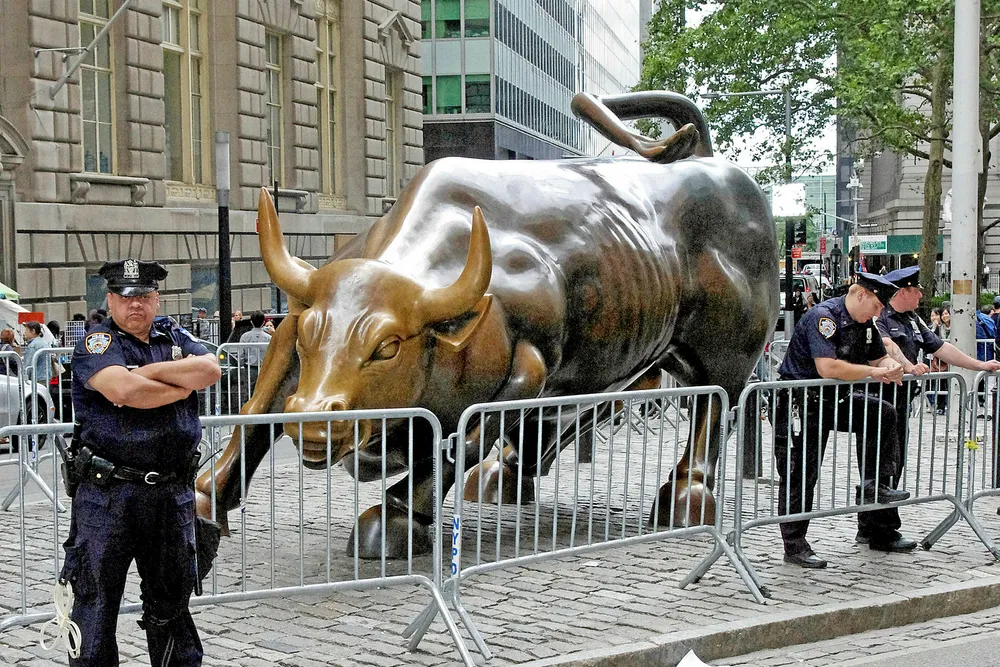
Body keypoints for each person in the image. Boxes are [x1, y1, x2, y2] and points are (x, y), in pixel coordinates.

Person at [60, 258, 221, 666]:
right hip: (109, 496)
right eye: (127, 297)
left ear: (157, 299)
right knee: (95, 607)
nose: (136, 304)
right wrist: (178, 385)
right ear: (111, 299)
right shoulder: (98, 343)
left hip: (170, 493)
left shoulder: (173, 334)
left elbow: (209, 369)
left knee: (172, 602)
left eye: (145, 296)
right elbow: (124, 391)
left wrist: (147, 371)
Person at [774, 272, 908, 568]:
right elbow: (828, 367)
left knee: (882, 413)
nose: (878, 313)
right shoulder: (824, 318)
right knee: (801, 474)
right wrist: (874, 372)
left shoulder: (866, 324)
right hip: (801, 405)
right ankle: (794, 544)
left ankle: (876, 485)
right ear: (861, 295)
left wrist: (891, 366)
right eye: (876, 306)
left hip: (836, 400)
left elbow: (878, 358)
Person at [868, 266, 1000, 550]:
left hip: (901, 401)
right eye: (916, 291)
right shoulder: (880, 317)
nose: (921, 296)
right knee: (882, 465)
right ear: (903, 292)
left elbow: (940, 348)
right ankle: (882, 530)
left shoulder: (912, 319)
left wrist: (979, 364)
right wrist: (908, 366)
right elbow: (887, 347)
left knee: (893, 463)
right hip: (879, 400)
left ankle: (871, 526)